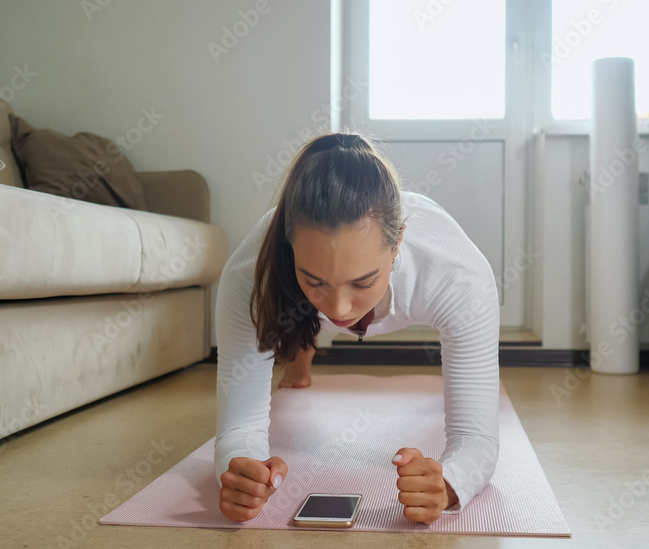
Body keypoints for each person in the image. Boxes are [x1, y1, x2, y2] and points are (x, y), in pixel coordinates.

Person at [214, 132, 500, 525]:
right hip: (290, 302)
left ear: (397, 242)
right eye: (315, 280)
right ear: (288, 243)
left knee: (313, 309)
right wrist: (241, 471)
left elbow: (477, 438)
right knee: (297, 321)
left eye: (362, 282)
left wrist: (449, 484)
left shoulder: (459, 277)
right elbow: (238, 428)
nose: (339, 308)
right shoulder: (249, 274)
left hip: (424, 271)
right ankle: (300, 354)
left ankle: (306, 328)